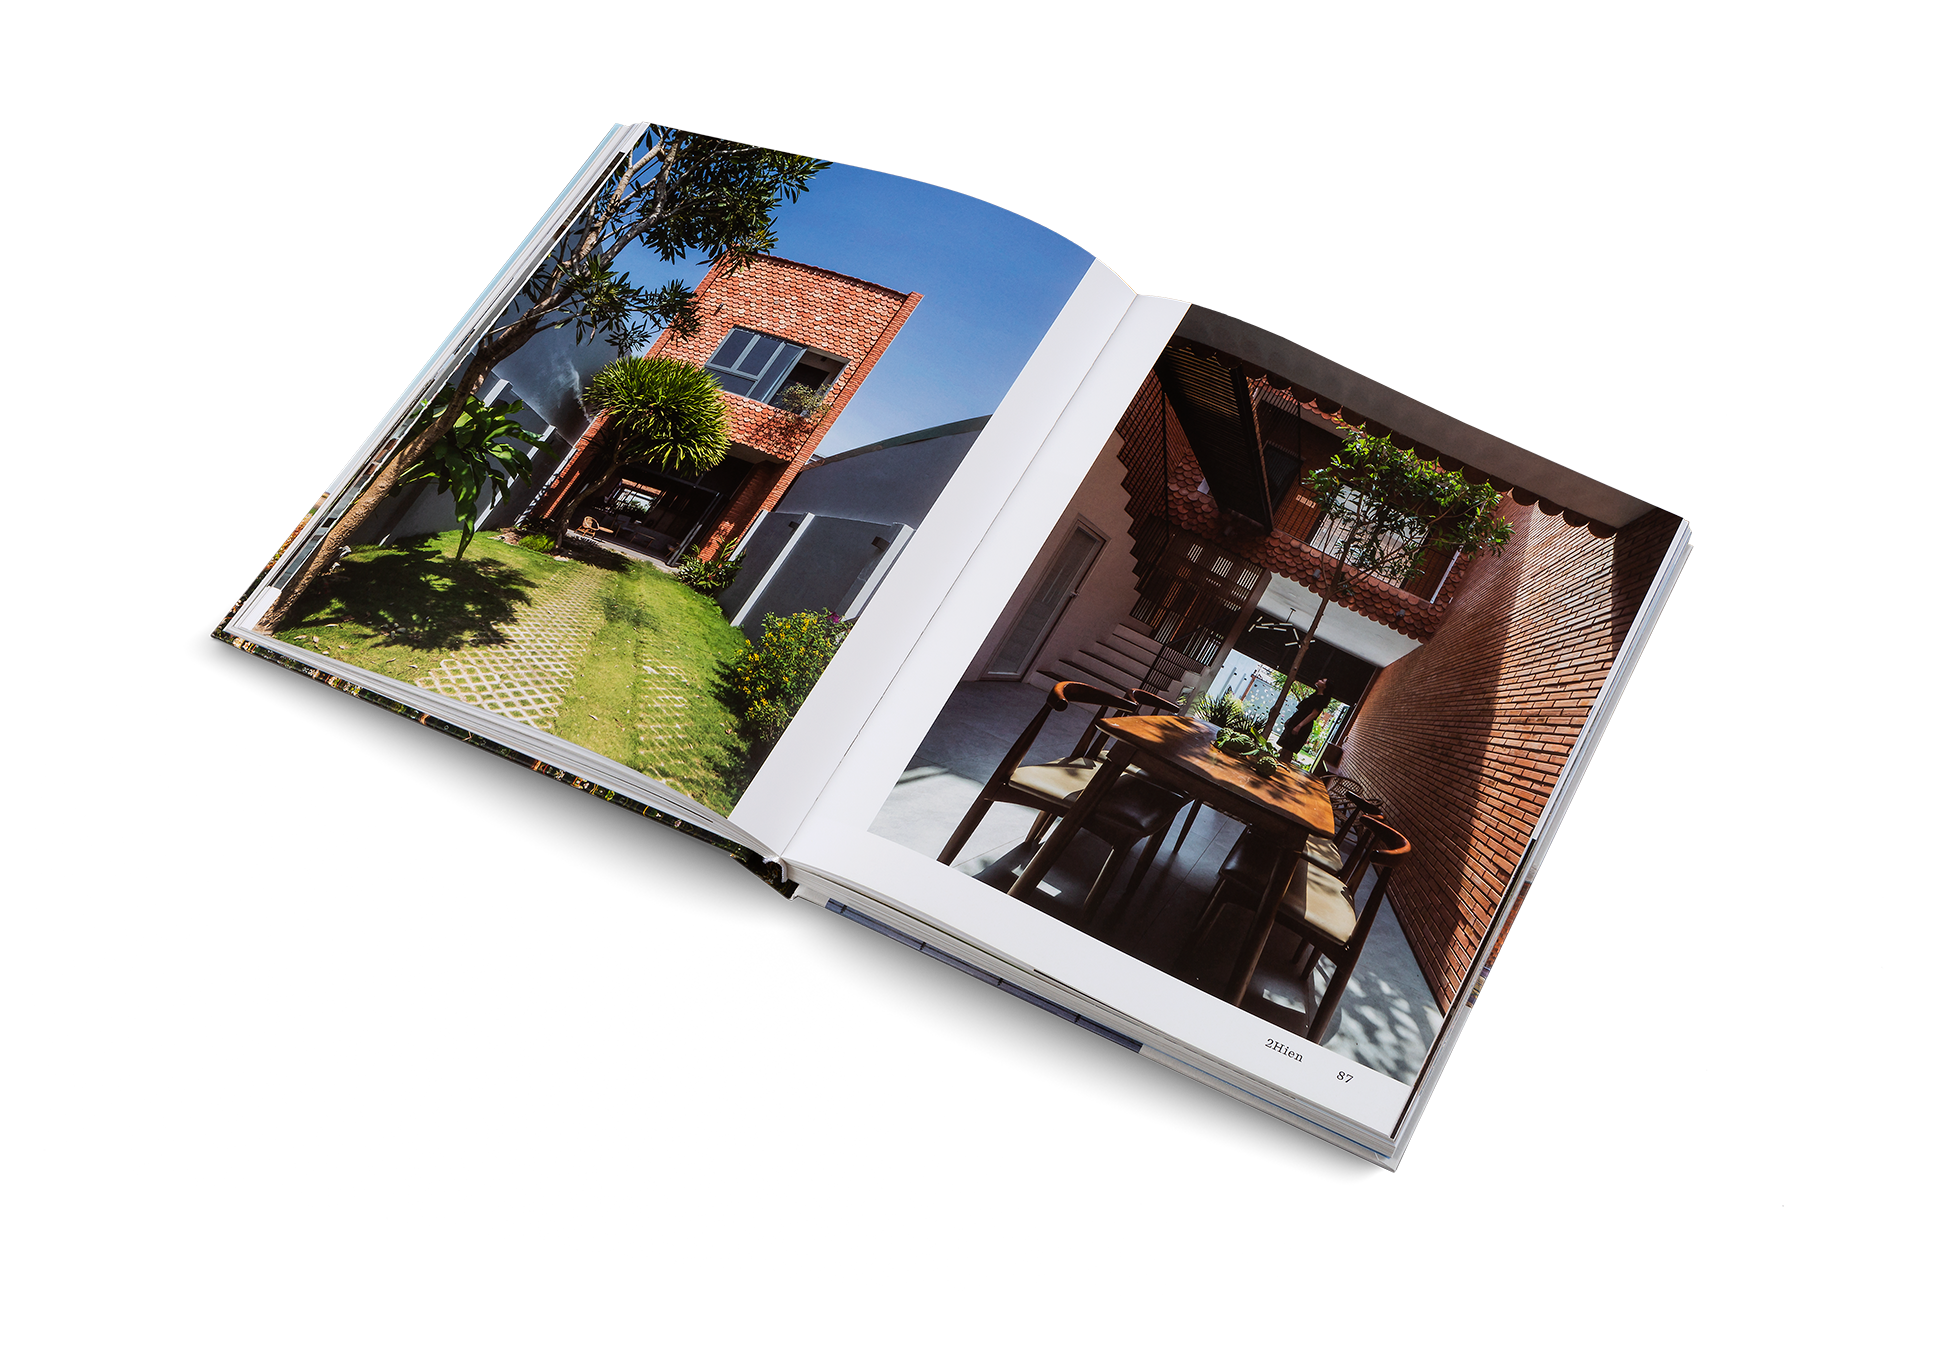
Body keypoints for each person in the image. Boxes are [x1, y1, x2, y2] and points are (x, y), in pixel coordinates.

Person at [1276, 678, 1333, 762]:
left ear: (1324, 686)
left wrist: (1299, 726)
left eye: (1322, 681)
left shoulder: (1321, 699)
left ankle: (1283, 766)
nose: (1319, 680)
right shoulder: (1314, 695)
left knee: (1289, 748)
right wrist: (1291, 720)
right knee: (1285, 746)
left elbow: (1313, 714)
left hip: (1302, 725)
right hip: (1296, 721)